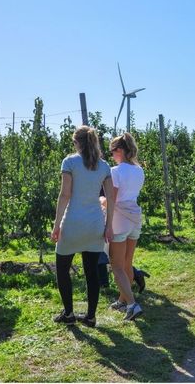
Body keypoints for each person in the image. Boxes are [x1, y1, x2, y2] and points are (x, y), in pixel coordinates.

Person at [51, 126, 115, 327]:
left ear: (77, 143)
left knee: (62, 270)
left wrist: (56, 225)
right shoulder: (104, 166)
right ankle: (90, 317)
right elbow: (111, 197)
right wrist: (109, 226)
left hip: (72, 223)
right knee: (91, 272)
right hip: (95, 224)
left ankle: (69, 314)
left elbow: (65, 195)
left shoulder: (69, 162)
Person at [106, 133, 146, 320]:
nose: (112, 155)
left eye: (112, 151)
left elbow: (112, 199)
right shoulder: (139, 170)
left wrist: (102, 202)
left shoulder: (116, 171)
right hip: (135, 217)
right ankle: (123, 300)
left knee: (116, 266)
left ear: (120, 150)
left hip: (119, 219)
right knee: (127, 262)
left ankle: (131, 304)